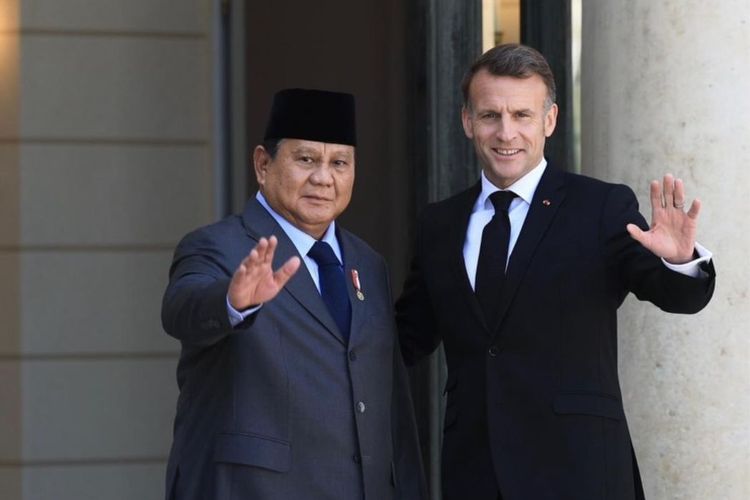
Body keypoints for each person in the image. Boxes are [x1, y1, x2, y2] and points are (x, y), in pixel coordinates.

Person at [395, 44, 715, 500]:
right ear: (467, 121)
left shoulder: (599, 207)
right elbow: (405, 338)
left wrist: (680, 262)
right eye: (490, 116)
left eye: (522, 115)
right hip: (475, 475)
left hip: (580, 473)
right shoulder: (439, 224)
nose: (506, 132)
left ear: (549, 120)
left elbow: (675, 295)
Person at [162, 88, 425, 500]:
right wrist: (233, 301)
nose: (323, 178)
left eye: (339, 163)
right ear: (262, 164)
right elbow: (182, 310)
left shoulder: (368, 264)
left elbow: (391, 406)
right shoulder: (219, 247)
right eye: (306, 159)